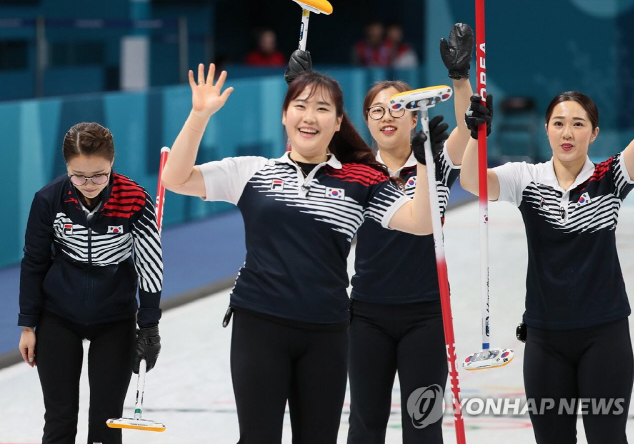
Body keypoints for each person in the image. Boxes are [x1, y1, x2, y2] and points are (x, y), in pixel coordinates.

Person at [161, 63, 449, 443]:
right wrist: (199, 115)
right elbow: (175, 178)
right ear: (284, 116)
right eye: (300, 105)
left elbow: (421, 222)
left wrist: (426, 162)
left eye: (322, 108)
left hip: (326, 333)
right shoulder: (252, 172)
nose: (309, 116)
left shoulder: (362, 180)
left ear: (337, 123)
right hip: (259, 325)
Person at [461, 91, 634, 443]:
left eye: (578, 124)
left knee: (608, 437)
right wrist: (474, 135)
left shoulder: (610, 177)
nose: (568, 133)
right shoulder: (526, 178)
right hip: (546, 340)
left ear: (594, 133)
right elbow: (471, 182)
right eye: (559, 124)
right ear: (546, 130)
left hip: (604, 337)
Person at [347, 23, 473, 443]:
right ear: (366, 121)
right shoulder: (355, 172)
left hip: (427, 314)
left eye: (397, 107)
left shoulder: (437, 161)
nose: (387, 117)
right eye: (376, 111)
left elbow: (468, 128)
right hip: (367, 314)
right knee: (365, 424)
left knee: (423, 425)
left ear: (414, 113)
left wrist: (459, 79)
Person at [18, 122, 163, 444]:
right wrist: (28, 324)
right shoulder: (49, 199)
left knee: (106, 423)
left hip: (115, 319)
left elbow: (150, 264)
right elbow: (34, 262)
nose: (89, 184)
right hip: (58, 316)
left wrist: (150, 326)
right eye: (78, 175)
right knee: (59, 419)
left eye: (99, 175)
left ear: (112, 163)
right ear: (66, 168)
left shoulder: (136, 199)